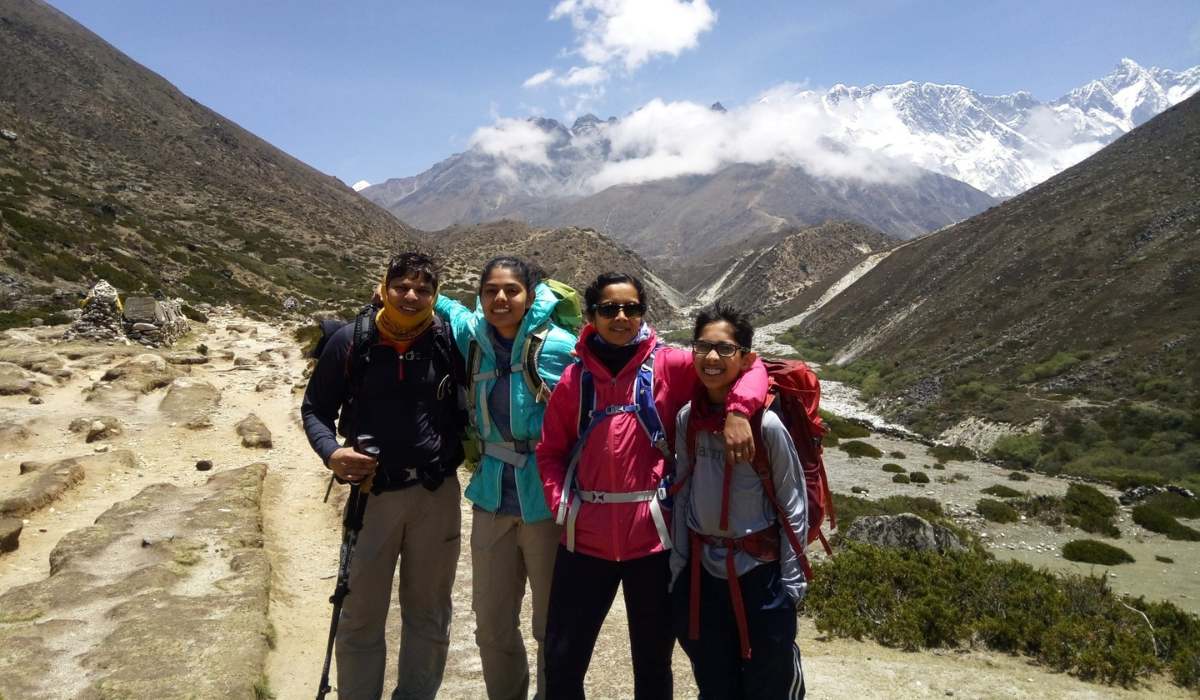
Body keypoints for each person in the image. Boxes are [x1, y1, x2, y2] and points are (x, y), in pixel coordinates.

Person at [537, 272, 770, 700]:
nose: (621, 317)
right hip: (583, 541)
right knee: (562, 660)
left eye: (632, 308)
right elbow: (550, 452)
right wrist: (561, 504)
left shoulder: (670, 365)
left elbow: (755, 367)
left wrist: (738, 411)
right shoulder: (574, 381)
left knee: (653, 664)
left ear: (643, 313)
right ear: (591, 316)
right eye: (609, 309)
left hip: (653, 546)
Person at [301, 252, 465, 700]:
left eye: (423, 289)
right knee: (359, 613)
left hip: (436, 490)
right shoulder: (351, 341)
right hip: (371, 495)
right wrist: (332, 452)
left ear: (435, 295)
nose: (411, 296)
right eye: (401, 286)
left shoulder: (446, 341)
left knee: (429, 612)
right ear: (384, 287)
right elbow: (315, 409)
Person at [433, 256, 576, 700]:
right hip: (492, 500)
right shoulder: (473, 339)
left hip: (546, 502)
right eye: (491, 290)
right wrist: (417, 294)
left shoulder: (561, 346)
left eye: (511, 290)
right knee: (491, 621)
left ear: (530, 297)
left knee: (550, 623)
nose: (500, 299)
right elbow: (453, 312)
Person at [669, 301, 808, 699]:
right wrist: (678, 568)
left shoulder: (767, 425)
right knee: (714, 683)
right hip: (702, 572)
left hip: (761, 576)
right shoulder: (686, 419)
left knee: (768, 683)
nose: (712, 358)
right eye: (702, 347)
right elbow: (682, 497)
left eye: (725, 349)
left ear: (745, 357)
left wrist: (791, 586)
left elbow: (792, 503)